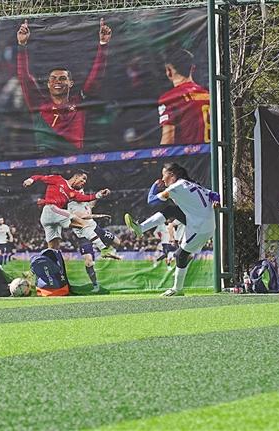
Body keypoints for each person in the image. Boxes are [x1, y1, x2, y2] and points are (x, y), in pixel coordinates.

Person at [124, 162, 219, 296]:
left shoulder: (176, 187)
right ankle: (140, 228)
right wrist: (216, 200)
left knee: (180, 255)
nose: (162, 179)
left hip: (200, 227)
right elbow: (214, 194)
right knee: (171, 210)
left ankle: (177, 289)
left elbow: (151, 200)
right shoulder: (191, 184)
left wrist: (155, 186)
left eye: (163, 175)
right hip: (203, 222)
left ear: (172, 175)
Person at [16, 18, 111, 152]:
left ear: (70, 83)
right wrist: (22, 45)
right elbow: (24, 78)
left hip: (75, 158)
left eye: (62, 78)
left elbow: (95, 78)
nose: (57, 81)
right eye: (53, 79)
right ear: (48, 84)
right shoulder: (39, 105)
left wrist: (103, 44)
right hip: (46, 160)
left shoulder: (79, 102)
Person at [22, 170, 110, 250]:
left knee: (54, 248)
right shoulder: (58, 179)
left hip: (52, 217)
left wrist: (99, 194)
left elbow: (85, 198)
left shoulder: (72, 193)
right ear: (76, 177)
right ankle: (104, 249)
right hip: (51, 209)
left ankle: (46, 262)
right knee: (84, 224)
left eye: (85, 181)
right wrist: (31, 180)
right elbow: (40, 177)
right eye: (83, 179)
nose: (84, 182)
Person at [158, 49, 211, 145]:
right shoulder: (208, 95)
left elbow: (168, 139)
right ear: (193, 68)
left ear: (169, 71)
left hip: (190, 154)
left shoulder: (170, 98)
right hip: (211, 152)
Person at [67, 199, 121, 292]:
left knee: (117, 242)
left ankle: (108, 252)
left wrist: (99, 195)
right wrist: (99, 216)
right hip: (84, 236)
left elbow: (91, 205)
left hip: (96, 229)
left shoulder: (85, 202)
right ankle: (95, 285)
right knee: (88, 262)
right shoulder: (71, 205)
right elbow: (82, 216)